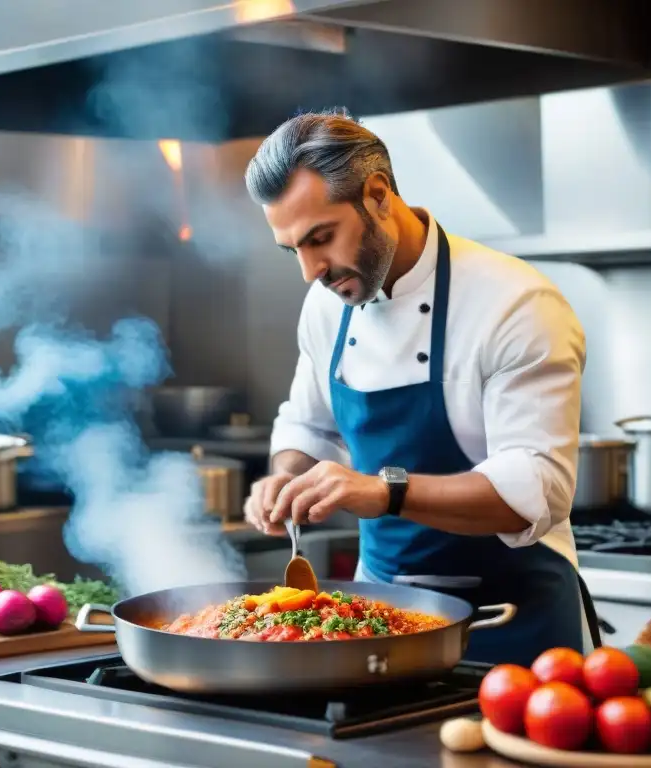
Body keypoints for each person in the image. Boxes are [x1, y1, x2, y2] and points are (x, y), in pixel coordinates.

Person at [241, 109, 600, 665]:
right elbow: (310, 424)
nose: (310, 270)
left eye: (321, 238)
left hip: (515, 627)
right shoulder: (326, 304)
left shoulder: (515, 304)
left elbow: (535, 489)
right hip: (380, 625)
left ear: (378, 195)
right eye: (293, 250)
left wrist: (386, 493)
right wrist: (285, 478)